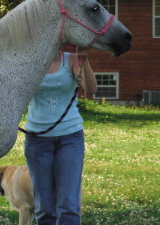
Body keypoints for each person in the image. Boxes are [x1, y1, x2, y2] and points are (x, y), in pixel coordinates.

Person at [23, 49, 97, 225]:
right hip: (37, 140)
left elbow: (90, 90)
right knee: (44, 208)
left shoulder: (71, 59)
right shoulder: (28, 60)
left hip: (70, 137)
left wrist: (83, 59)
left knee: (69, 205)